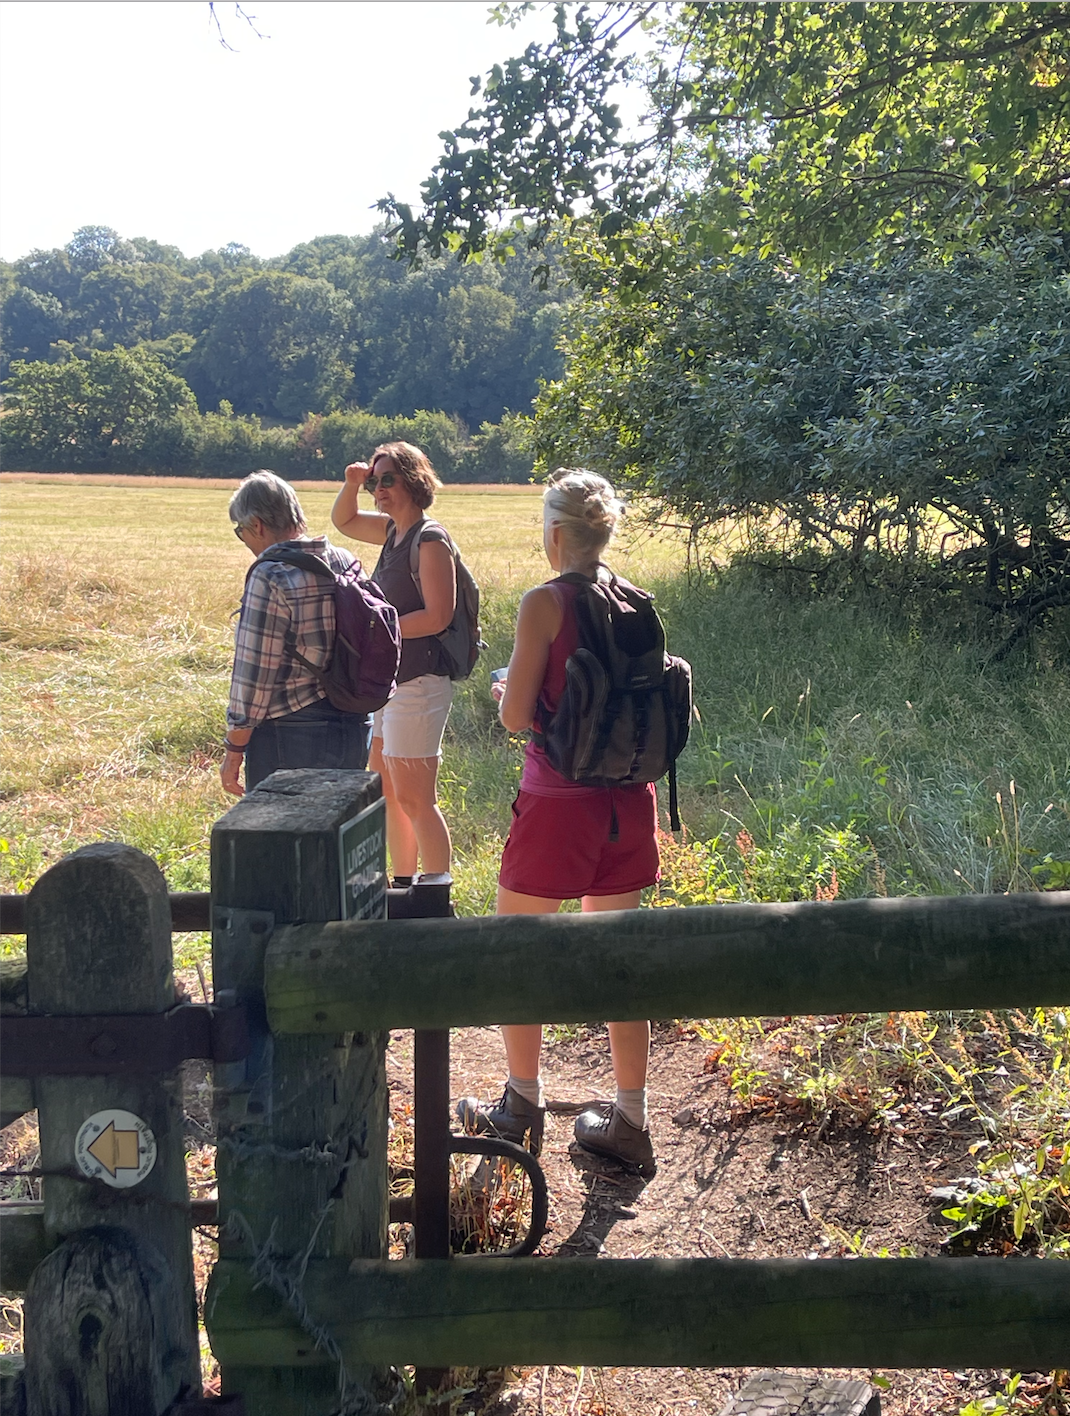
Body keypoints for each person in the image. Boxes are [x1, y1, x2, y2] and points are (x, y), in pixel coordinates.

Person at [457, 469, 659, 1178]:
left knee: (521, 952)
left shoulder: (543, 602)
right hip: (630, 805)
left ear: (553, 535)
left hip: (556, 806)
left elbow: (516, 718)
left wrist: (505, 689)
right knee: (618, 962)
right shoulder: (636, 599)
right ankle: (630, 1117)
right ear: (605, 535)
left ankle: (520, 1104)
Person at [330, 442, 457, 884]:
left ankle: (436, 893)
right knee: (389, 792)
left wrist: (381, 632)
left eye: (387, 480)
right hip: (391, 683)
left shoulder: (430, 539)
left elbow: (439, 615)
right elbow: (343, 520)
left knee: (418, 799)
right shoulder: (392, 532)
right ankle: (402, 886)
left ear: (414, 481)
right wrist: (352, 483)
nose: (378, 489)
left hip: (419, 684)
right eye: (374, 482)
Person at [221, 470, 372, 796]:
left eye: (241, 531)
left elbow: (253, 676)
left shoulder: (269, 573)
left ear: (257, 525)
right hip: (356, 726)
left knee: (283, 842)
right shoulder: (343, 560)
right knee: (338, 837)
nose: (244, 539)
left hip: (290, 735)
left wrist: (234, 749)